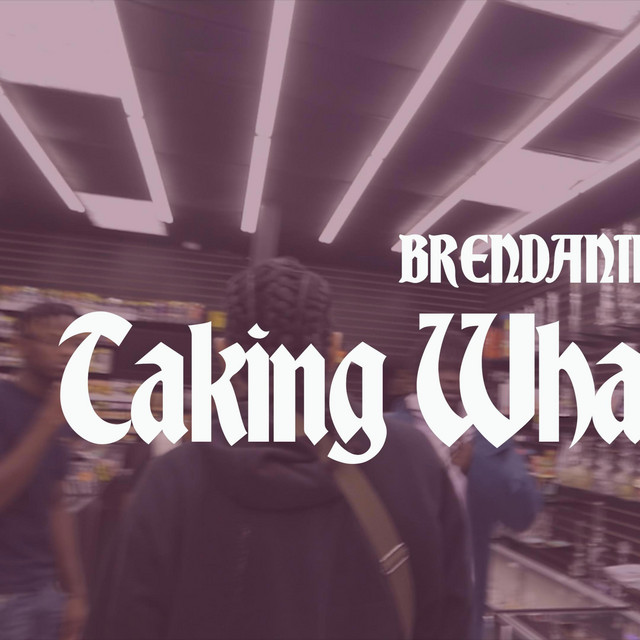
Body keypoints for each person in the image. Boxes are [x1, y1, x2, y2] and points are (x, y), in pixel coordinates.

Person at [86, 257, 471, 640]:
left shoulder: (172, 480)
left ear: (224, 354)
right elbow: (452, 611)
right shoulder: (412, 459)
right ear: (334, 350)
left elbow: (121, 622)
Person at [0, 302, 87, 640]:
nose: (66, 352)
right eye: (53, 340)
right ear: (19, 344)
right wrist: (47, 420)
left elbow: (55, 503)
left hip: (45, 590)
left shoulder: (59, 412)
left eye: (75, 343)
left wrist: (76, 593)